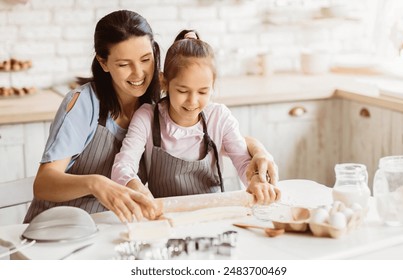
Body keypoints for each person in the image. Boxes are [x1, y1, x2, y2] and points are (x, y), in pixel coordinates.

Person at [23, 10, 277, 224]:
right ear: (103, 62)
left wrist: (258, 150)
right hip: (58, 227)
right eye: (124, 64)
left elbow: (211, 133)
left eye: (146, 59)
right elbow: (43, 183)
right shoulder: (85, 104)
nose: (139, 73)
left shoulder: (159, 103)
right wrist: (95, 183)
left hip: (112, 226)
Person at [111, 29, 280, 214]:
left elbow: (243, 161)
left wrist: (257, 181)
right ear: (164, 82)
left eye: (202, 92)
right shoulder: (147, 117)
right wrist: (138, 189)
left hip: (215, 214)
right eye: (183, 91)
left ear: (212, 87)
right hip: (165, 216)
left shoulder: (219, 117)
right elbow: (122, 166)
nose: (192, 101)